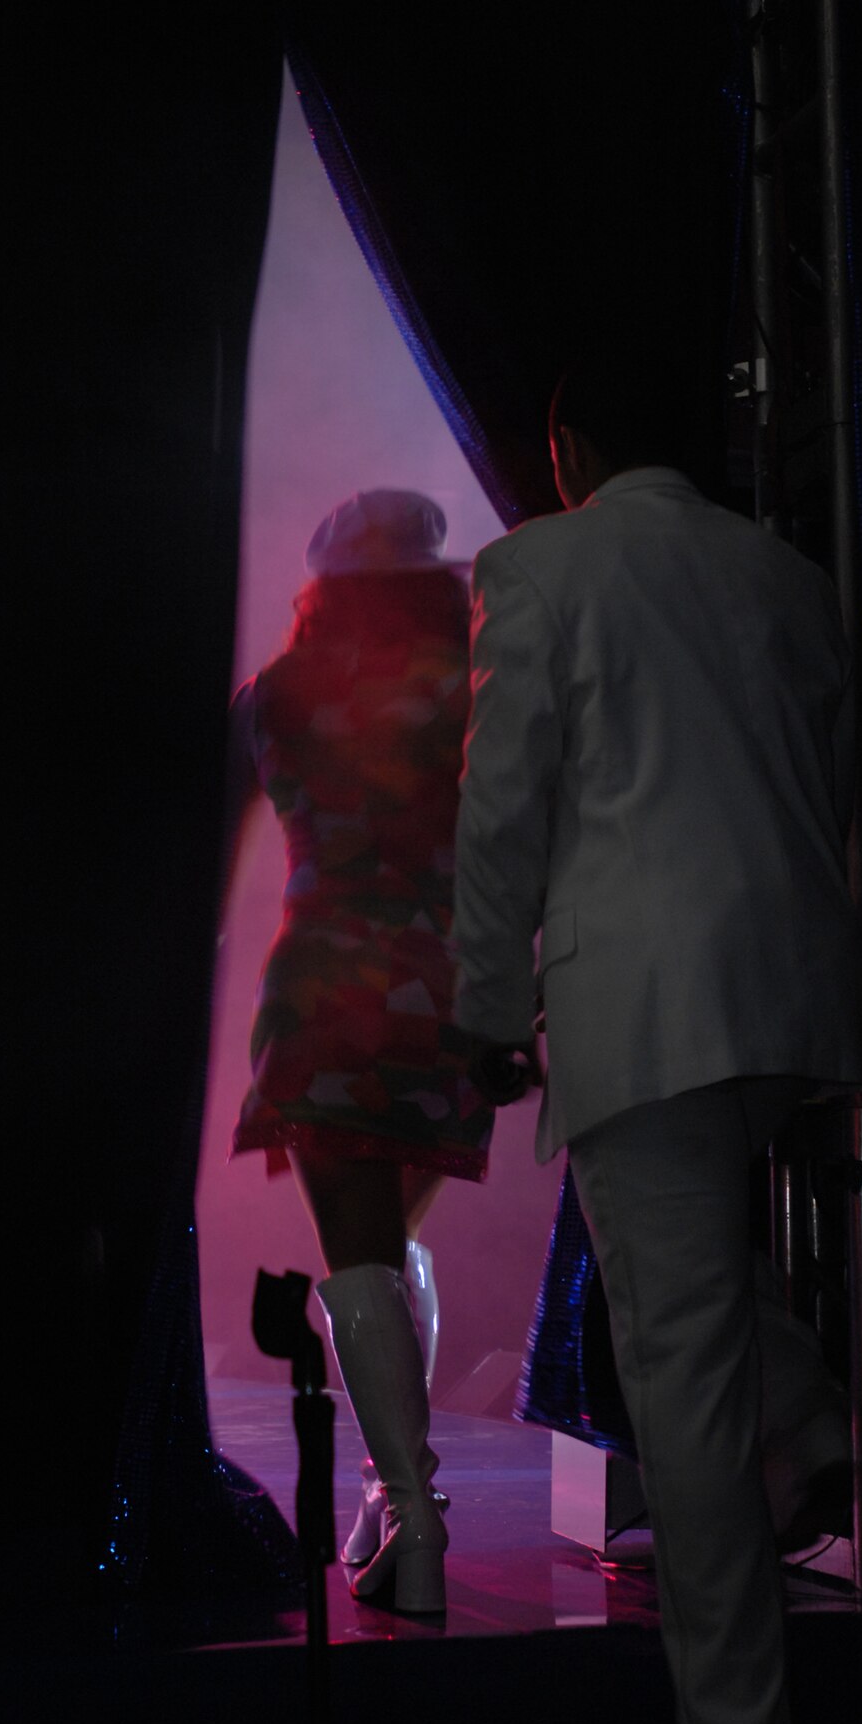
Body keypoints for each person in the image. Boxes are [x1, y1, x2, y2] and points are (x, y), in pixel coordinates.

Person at [454, 354, 862, 1724]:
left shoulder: (541, 565)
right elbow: (824, 779)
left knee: (682, 1405)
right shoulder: (790, 578)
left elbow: (504, 807)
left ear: (565, 443)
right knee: (692, 1277)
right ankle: (815, 1420)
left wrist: (487, 1006)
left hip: (646, 997)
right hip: (790, 988)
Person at [227, 488, 494, 1615]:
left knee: (360, 1254)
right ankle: (399, 1513)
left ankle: (410, 1511)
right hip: (445, 992)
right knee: (390, 1247)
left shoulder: (272, 697)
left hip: (328, 992)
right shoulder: (470, 695)